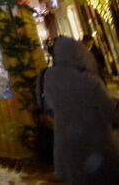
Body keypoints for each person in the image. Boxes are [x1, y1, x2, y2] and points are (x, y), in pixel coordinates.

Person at [43, 35, 119, 184]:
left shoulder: (50, 77)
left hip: (66, 140)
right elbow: (110, 112)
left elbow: (50, 105)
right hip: (95, 142)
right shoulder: (89, 79)